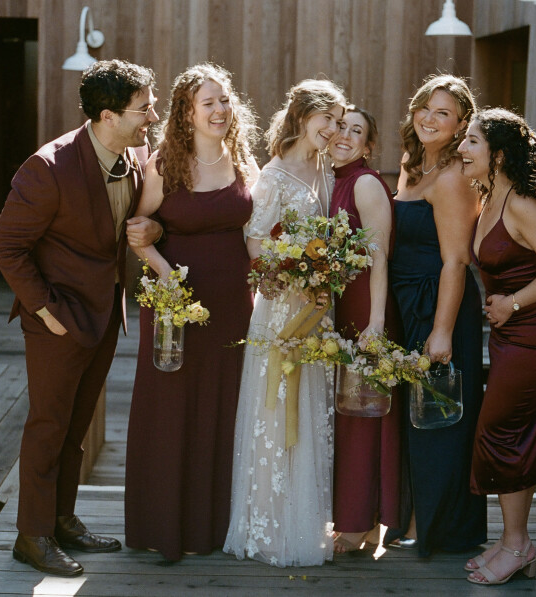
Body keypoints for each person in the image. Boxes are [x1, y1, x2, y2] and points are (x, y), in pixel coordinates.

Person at [0, 59, 161, 577]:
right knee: (48, 426)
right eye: (143, 108)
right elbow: (6, 246)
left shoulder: (134, 155)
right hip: (57, 320)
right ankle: (32, 536)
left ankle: (62, 520)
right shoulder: (47, 168)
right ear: (108, 115)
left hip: (107, 314)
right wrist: (46, 310)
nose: (151, 116)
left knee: (75, 426)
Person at [124, 63, 259, 560]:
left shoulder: (245, 162)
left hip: (232, 307)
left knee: (224, 407)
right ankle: (164, 528)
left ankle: (215, 527)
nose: (221, 109)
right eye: (209, 102)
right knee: (170, 409)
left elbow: (256, 235)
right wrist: (166, 276)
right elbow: (138, 229)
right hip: (175, 305)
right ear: (185, 111)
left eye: (225, 100)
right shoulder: (164, 165)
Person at [224, 79, 346, 567]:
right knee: (275, 413)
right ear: (302, 116)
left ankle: (306, 522)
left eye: (340, 122)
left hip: (317, 310)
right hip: (280, 312)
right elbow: (254, 241)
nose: (335, 129)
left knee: (312, 411)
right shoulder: (272, 176)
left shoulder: (327, 171)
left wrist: (323, 272)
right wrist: (289, 272)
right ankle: (269, 529)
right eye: (328, 119)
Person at [458, 108, 536, 585]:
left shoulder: (523, 204)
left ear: (498, 154)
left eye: (471, 141)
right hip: (513, 333)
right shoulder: (488, 196)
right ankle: (515, 542)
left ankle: (517, 543)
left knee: (501, 429)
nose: (462, 149)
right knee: (514, 429)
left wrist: (513, 304)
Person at [385, 74, 488, 557]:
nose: (428, 117)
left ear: (462, 123)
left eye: (442, 112)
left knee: (440, 418)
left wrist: (442, 331)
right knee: (413, 416)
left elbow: (457, 261)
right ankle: (412, 518)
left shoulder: (452, 178)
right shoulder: (412, 165)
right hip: (407, 302)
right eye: (425, 106)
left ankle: (441, 531)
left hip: (438, 305)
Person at [327, 105, 400, 553]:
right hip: (342, 310)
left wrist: (375, 323)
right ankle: (361, 520)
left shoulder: (366, 183)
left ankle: (359, 525)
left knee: (363, 416)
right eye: (340, 127)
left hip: (367, 311)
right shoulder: (329, 181)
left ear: (368, 146)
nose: (344, 135)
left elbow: (379, 258)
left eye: (356, 131)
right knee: (350, 413)